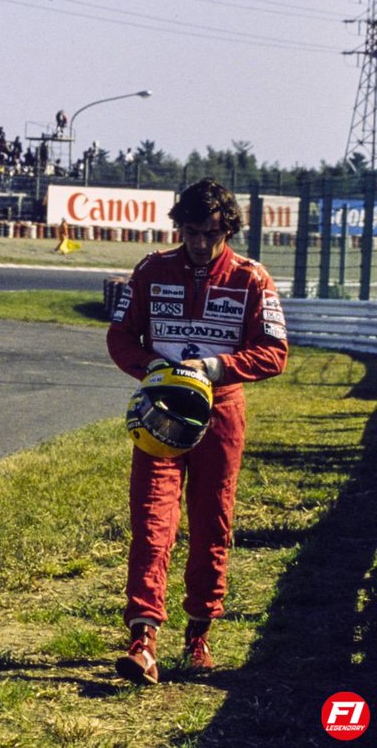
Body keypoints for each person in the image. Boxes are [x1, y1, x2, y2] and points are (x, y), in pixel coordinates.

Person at [106, 177, 287, 684]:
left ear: (227, 228)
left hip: (220, 414)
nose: (201, 243)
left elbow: (275, 352)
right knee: (151, 520)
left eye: (211, 233)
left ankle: (199, 632)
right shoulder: (151, 269)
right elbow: (119, 336)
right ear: (178, 227)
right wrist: (151, 369)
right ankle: (142, 638)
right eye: (191, 232)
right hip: (158, 412)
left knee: (212, 522)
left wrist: (216, 368)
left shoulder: (253, 279)